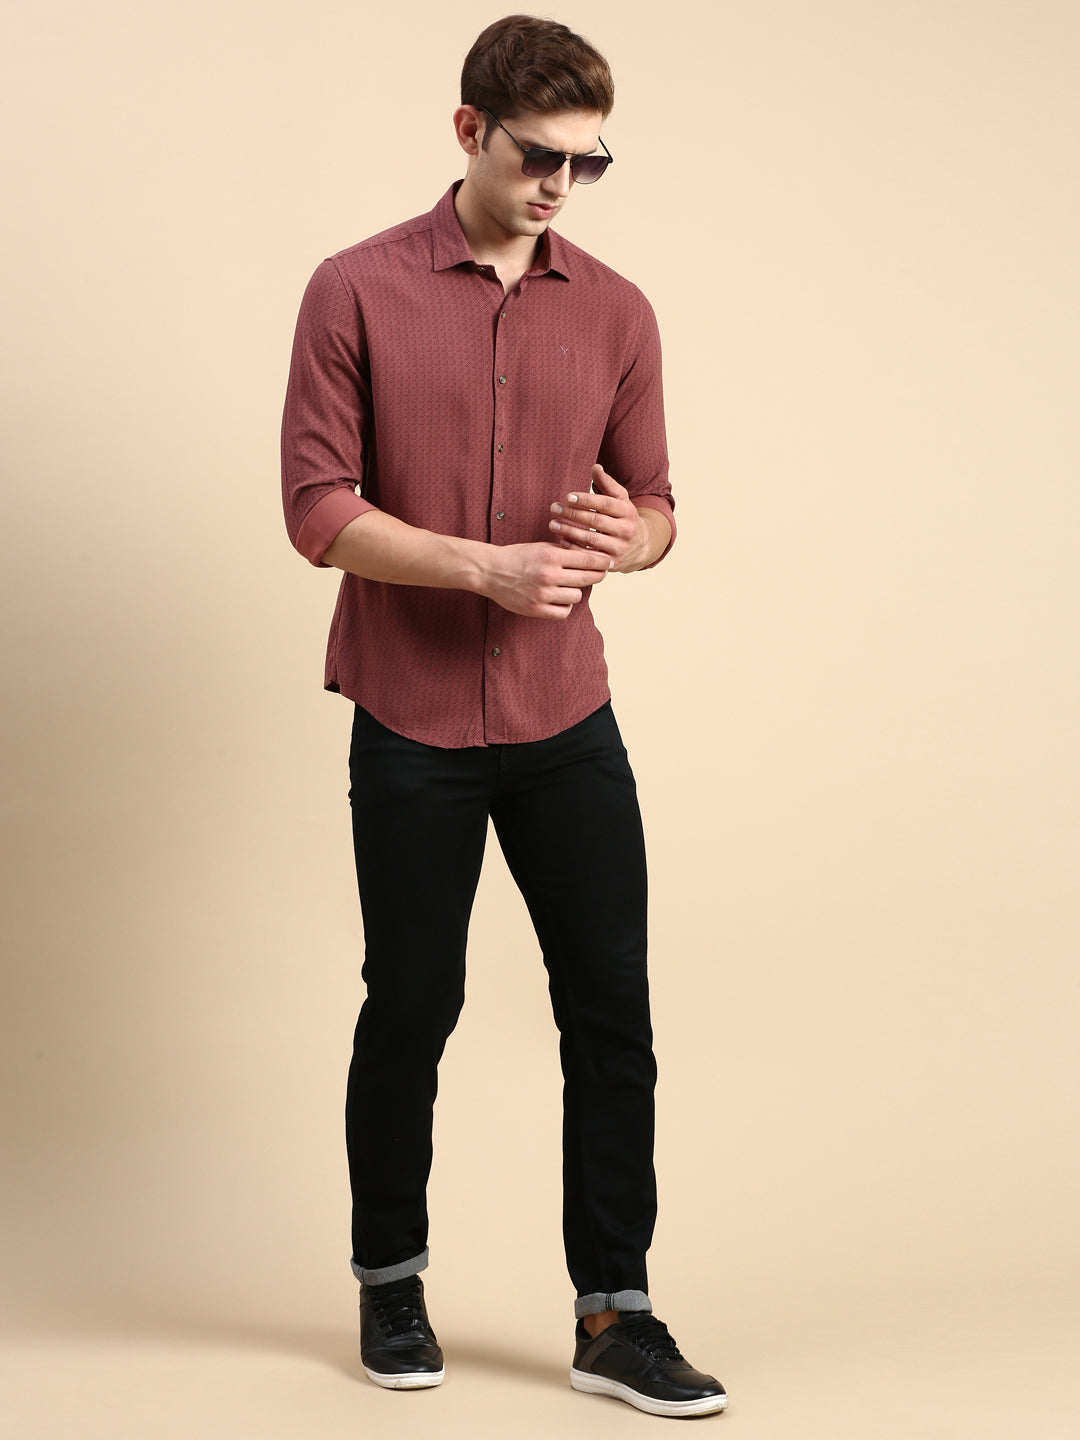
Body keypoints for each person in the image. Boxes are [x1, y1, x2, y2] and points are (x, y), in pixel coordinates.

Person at [280, 13, 726, 1419]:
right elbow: (317, 509)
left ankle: (616, 1315)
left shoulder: (620, 312)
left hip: (563, 716)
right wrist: (487, 569)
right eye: (540, 156)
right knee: (413, 1002)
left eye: (589, 164)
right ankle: (391, 1279)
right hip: (412, 716)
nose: (561, 187)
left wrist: (631, 541)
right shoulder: (353, 290)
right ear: (468, 129)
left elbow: (660, 506)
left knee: (611, 1011)